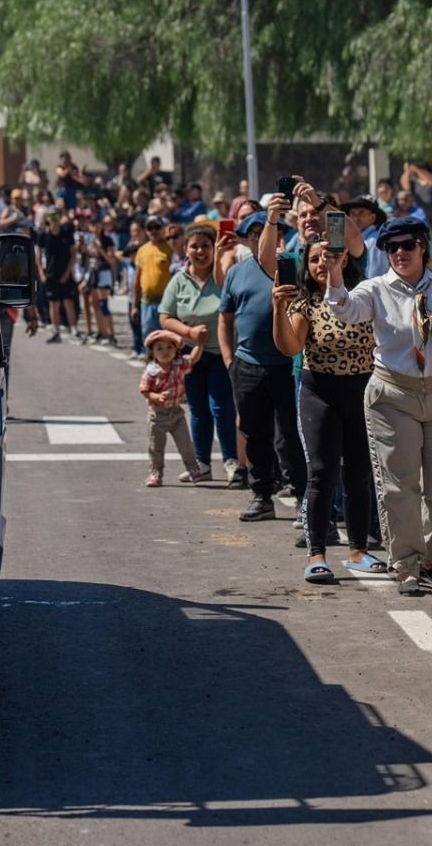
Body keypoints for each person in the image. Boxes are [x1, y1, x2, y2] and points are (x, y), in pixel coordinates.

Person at [327, 216, 432, 595]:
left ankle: (426, 557)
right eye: (391, 248)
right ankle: (406, 564)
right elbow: (343, 308)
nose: (400, 253)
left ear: (423, 246)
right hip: (392, 394)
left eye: (407, 245)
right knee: (399, 485)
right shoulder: (375, 289)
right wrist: (335, 274)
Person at [271, 237, 384, 583]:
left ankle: (358, 551)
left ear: (344, 259)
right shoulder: (303, 303)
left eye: (328, 256)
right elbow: (290, 347)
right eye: (314, 259)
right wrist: (278, 307)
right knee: (322, 473)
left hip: (362, 393)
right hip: (320, 394)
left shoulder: (364, 296)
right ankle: (316, 554)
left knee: (359, 474)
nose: (322, 263)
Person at [220, 209, 307, 523]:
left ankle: (303, 498)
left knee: (290, 435)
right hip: (248, 365)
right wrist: (229, 360)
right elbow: (225, 317)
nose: (262, 239)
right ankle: (261, 495)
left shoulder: (291, 266)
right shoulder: (236, 272)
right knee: (255, 432)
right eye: (255, 235)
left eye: (270, 232)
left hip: (287, 365)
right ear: (248, 240)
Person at [159, 222, 241, 485]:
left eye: (206, 246)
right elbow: (165, 316)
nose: (200, 251)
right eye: (194, 246)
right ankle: (201, 464)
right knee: (197, 409)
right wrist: (189, 332)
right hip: (189, 356)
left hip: (220, 353)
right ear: (185, 250)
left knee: (222, 407)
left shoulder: (223, 277)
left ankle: (231, 461)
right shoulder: (178, 280)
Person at [139, 329, 207, 488]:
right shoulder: (151, 371)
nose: (165, 352)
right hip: (157, 415)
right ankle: (156, 473)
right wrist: (156, 397)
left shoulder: (179, 365)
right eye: (160, 348)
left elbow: (193, 358)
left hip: (177, 414)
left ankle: (193, 469)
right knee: (156, 447)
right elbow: (144, 390)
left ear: (176, 350)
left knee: (186, 445)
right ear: (153, 352)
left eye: (169, 347)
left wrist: (200, 344)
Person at [36, 210, 78, 342]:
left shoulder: (66, 233)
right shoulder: (43, 235)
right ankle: (56, 331)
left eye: (56, 217)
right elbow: (38, 255)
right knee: (53, 303)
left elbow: (73, 254)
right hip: (50, 273)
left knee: (68, 301)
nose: (54, 221)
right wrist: (41, 273)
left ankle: (74, 330)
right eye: (52, 218)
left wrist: (67, 272)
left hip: (65, 272)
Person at [133, 217, 174, 342]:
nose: (153, 231)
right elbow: (137, 279)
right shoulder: (142, 250)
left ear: (163, 229)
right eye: (150, 228)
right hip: (147, 302)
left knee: (167, 339)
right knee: (149, 338)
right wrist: (134, 305)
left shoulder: (170, 249)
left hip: (166, 304)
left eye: (157, 227)